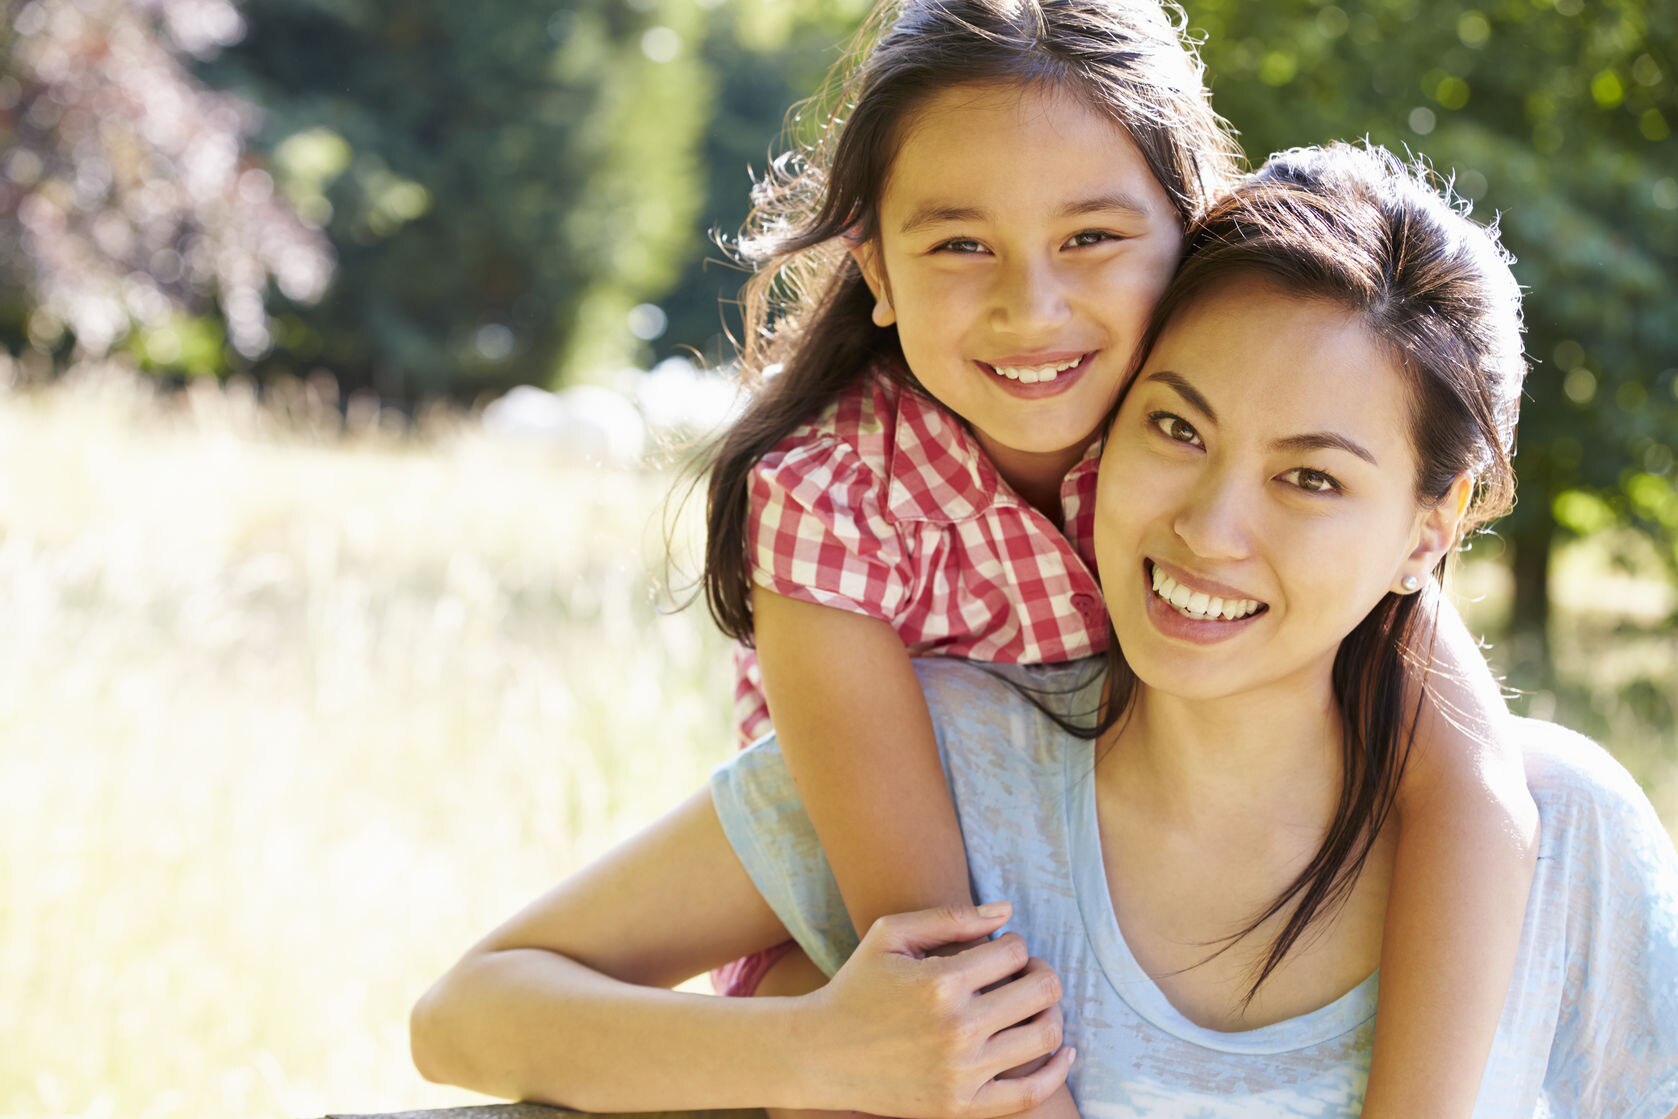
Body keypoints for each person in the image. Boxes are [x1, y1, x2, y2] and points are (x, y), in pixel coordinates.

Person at [410, 143, 1678, 1116]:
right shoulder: (950, 768)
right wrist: (819, 1049)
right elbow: (467, 1012)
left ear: (1430, 526)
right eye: (1175, 429)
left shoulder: (1569, 838)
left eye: (1310, 479)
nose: (1210, 529)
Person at [701, 1, 1532, 1111]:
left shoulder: (1198, 453)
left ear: (1189, 237)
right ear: (877, 268)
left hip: (1143, 900)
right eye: (958, 244)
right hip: (877, 943)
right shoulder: (832, 496)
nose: (1030, 307)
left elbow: (1473, 783)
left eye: (1090, 237)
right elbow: (936, 958)